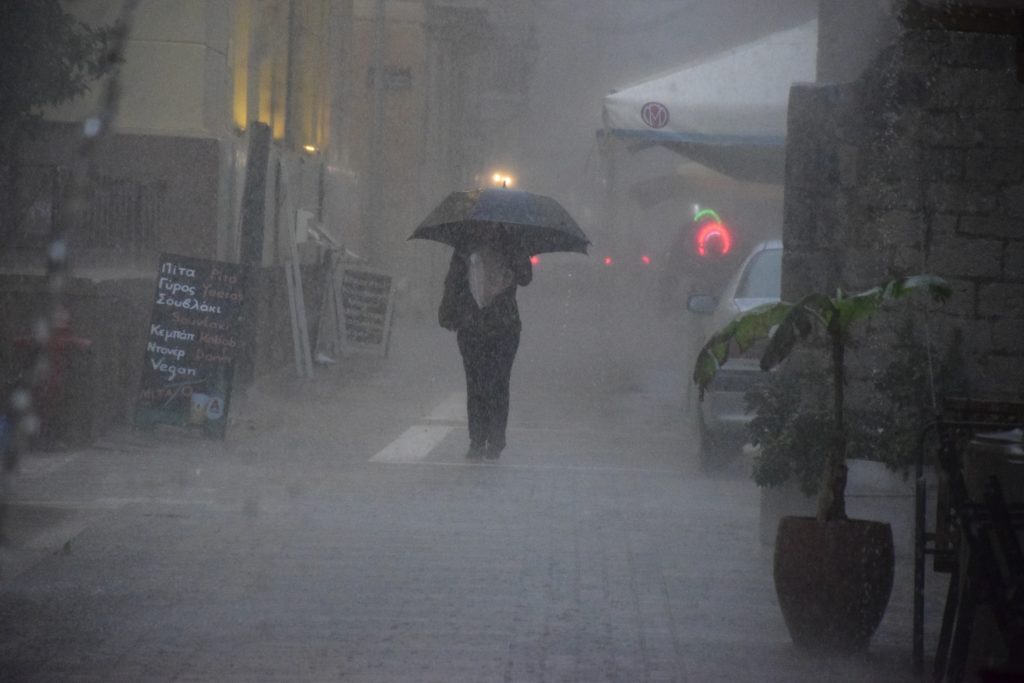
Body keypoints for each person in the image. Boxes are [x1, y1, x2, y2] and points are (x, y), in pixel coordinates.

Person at [438, 241, 532, 461]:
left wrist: (515, 254)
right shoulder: (467, 247)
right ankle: (480, 439)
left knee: (494, 383)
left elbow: (526, 277)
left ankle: (492, 440)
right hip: (479, 326)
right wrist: (450, 312)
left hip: (499, 327)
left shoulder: (508, 243)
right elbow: (454, 281)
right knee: (479, 383)